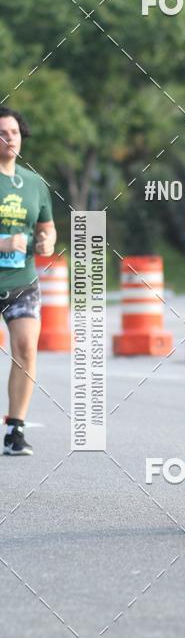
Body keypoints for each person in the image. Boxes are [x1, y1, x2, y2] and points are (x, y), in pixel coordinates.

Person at [0, 107, 56, 456]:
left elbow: (45, 226)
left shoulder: (34, 183)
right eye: (2, 133)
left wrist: (47, 240)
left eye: (14, 133)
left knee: (26, 349)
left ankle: (15, 429)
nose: (9, 139)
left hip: (22, 280)